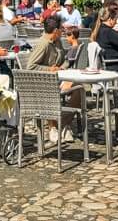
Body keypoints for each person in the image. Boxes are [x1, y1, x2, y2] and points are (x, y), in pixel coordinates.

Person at [25, 15, 82, 144]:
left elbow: (64, 61)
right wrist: (49, 69)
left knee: (79, 88)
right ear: (55, 30)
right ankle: (53, 127)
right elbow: (31, 67)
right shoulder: (43, 44)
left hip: (58, 79)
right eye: (61, 29)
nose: (63, 31)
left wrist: (62, 68)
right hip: (43, 82)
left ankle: (63, 123)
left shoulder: (57, 42)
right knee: (50, 89)